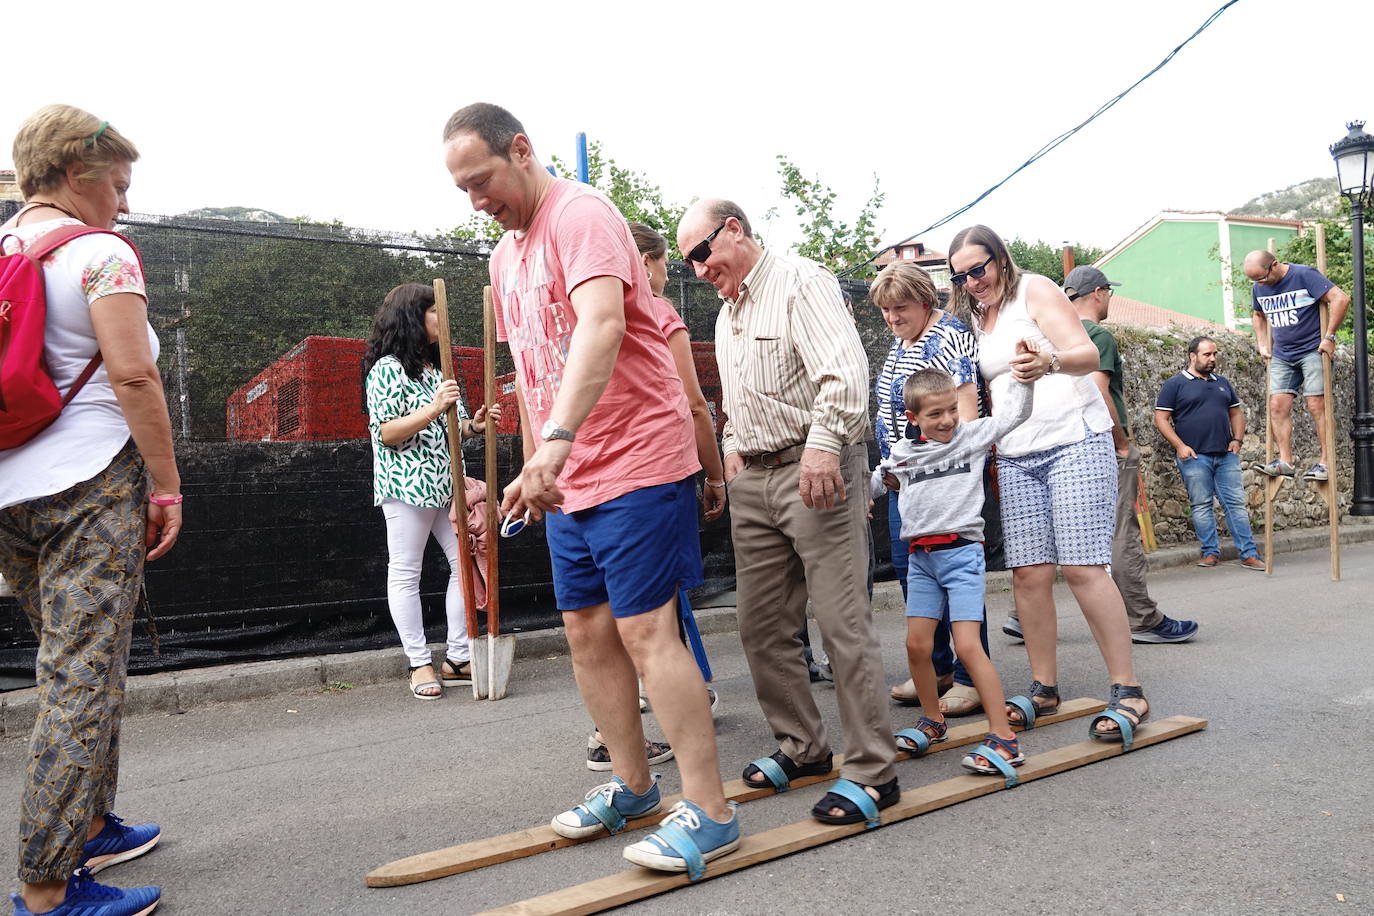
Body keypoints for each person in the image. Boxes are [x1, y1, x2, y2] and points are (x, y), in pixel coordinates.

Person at [443, 103, 736, 874]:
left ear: (522, 150)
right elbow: (537, 373)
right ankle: (636, 787)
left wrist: (560, 445)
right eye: (462, 191)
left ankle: (708, 809)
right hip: (569, 478)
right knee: (586, 632)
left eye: (482, 181)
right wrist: (537, 467)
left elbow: (601, 327)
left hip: (639, 457)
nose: (476, 202)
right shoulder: (505, 258)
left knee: (646, 631)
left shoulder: (583, 216)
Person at [1, 105, 177, 916]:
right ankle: (46, 887)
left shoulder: (3, 248)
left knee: (79, 665)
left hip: (10, 492)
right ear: (77, 172)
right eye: (118, 183)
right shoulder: (100, 253)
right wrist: (168, 484)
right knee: (78, 682)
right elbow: (135, 377)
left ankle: (93, 823)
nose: (125, 204)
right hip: (90, 485)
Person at [677, 198, 899, 826]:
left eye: (701, 253)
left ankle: (873, 772)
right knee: (761, 625)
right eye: (688, 259)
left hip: (816, 467)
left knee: (841, 623)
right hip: (757, 473)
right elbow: (734, 399)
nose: (696, 269)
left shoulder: (802, 282)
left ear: (735, 230)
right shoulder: (728, 313)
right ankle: (804, 749)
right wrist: (729, 457)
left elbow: (847, 376)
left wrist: (824, 447)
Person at [948, 225, 1149, 743]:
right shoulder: (972, 316)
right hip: (1016, 452)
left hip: (1074, 440)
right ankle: (1044, 687)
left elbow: (1084, 354)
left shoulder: (1034, 289)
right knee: (1029, 576)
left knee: (1083, 568)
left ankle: (1127, 688)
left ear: (999, 258)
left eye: (979, 267)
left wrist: (1048, 361)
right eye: (961, 275)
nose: (973, 280)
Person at [874, 364, 1035, 776]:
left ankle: (1004, 738)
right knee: (916, 645)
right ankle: (933, 719)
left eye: (951, 410)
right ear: (913, 418)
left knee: (966, 645)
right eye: (935, 414)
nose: (946, 420)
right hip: (921, 559)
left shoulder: (971, 436)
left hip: (962, 553)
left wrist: (1026, 380)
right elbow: (877, 479)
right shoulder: (903, 453)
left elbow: (1015, 416)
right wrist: (876, 485)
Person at [362, 283, 501, 700]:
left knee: (464, 565)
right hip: (406, 486)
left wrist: (473, 425)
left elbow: (450, 430)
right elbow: (386, 432)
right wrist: (435, 408)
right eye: (435, 312)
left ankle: (457, 657)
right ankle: (418, 662)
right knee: (407, 573)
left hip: (446, 485)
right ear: (414, 317)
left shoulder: (432, 372)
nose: (443, 321)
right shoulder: (386, 369)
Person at [868, 262, 991, 716]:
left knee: (958, 577)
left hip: (941, 480)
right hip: (905, 479)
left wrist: (955, 465)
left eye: (899, 308)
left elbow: (966, 407)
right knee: (912, 571)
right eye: (885, 309)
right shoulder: (906, 340)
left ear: (925, 301)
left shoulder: (949, 336)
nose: (892, 318)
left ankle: (969, 675)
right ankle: (938, 667)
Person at [1062, 266, 1198, 643]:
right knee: (1121, 531)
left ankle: (1023, 617)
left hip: (1061, 445)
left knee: (1063, 535)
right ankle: (1141, 616)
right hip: (1100, 444)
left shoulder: (1051, 335)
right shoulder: (1097, 335)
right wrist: (1121, 442)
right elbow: (1097, 390)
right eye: (1108, 293)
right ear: (1099, 292)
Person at [1154, 336, 1265, 571]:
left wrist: (1237, 440)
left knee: (1235, 505)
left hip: (1226, 456)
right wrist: (1180, 446)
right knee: (1201, 505)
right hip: (1194, 457)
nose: (1212, 359)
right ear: (1192, 356)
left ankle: (1248, 553)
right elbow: (1161, 419)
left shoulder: (1222, 382)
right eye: (1207, 355)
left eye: (1214, 354)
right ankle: (1209, 552)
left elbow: (1236, 413)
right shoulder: (1175, 384)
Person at [1243, 250, 1350, 482]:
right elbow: (1258, 315)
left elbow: (1341, 298)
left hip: (1312, 350)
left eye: (1262, 278)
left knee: (1316, 405)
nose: (1259, 284)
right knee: (1277, 406)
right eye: (1254, 281)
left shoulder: (1304, 275)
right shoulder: (1258, 286)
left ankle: (1325, 462)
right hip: (1282, 355)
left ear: (1274, 264)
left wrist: (1329, 337)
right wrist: (1262, 344)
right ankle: (1285, 462)